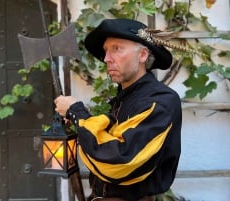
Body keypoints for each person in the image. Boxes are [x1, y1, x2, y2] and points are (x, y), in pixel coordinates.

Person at [54, 19, 182, 201]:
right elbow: (110, 139)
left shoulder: (160, 101)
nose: (107, 59)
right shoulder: (125, 97)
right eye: (106, 50)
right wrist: (76, 120)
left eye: (117, 48)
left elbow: (120, 159)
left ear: (143, 55)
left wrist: (77, 113)